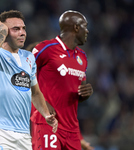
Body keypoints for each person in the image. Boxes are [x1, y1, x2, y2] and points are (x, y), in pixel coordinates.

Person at [0, 10, 58, 150]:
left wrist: (46, 114)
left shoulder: (29, 57)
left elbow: (35, 93)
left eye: (23, 28)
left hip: (23, 133)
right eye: (16, 29)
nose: (22, 33)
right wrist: (2, 30)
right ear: (3, 32)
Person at [30, 10, 94, 150]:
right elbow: (22, 78)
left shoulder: (82, 57)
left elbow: (77, 93)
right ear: (76, 27)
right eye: (85, 26)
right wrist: (43, 104)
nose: (87, 31)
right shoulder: (45, 49)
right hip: (47, 124)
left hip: (72, 130)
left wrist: (85, 94)